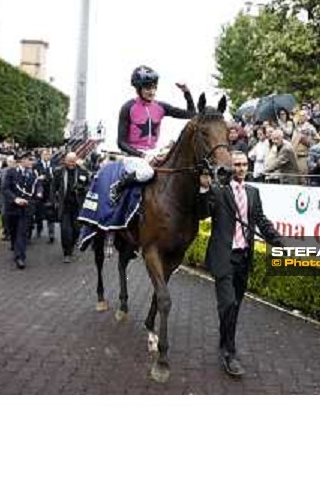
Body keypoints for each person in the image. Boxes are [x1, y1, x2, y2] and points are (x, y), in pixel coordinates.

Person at [198, 151, 283, 378]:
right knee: (227, 304)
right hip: (223, 257)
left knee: (234, 306)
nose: (241, 168)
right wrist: (205, 190)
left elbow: (261, 221)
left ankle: (225, 338)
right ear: (230, 166)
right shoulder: (219, 191)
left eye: (244, 164)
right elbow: (203, 213)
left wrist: (279, 241)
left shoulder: (253, 193)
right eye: (236, 164)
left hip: (244, 258)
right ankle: (229, 353)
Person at [112, 66, 195, 203]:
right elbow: (121, 143)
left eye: (154, 87)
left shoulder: (160, 106)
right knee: (147, 173)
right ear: (138, 89)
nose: (152, 91)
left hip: (154, 151)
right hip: (134, 155)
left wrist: (186, 92)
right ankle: (119, 186)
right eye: (147, 88)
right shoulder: (127, 107)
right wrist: (142, 155)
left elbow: (191, 114)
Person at [1, 152, 43, 269]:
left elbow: (38, 184)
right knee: (14, 231)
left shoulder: (33, 174)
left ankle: (20, 257)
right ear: (22, 160)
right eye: (29, 160)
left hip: (27, 208)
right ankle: (16, 249)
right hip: (13, 208)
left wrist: (39, 192)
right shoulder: (11, 172)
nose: (32, 162)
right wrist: (15, 199)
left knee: (22, 232)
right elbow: (5, 189)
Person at [52, 153, 91, 263]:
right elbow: (53, 187)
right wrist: (54, 201)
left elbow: (90, 186)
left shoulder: (83, 172)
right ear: (65, 160)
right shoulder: (59, 172)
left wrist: (82, 188)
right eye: (69, 161)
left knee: (76, 230)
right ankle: (67, 253)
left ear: (76, 160)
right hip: (64, 206)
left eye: (73, 161)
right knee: (65, 230)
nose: (71, 163)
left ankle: (72, 244)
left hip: (77, 206)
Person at [34, 149, 56, 243]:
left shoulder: (54, 164)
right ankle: (39, 228)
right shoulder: (36, 165)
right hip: (39, 192)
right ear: (41, 155)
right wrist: (38, 178)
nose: (47, 156)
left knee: (51, 213)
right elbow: (34, 177)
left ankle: (51, 234)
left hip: (50, 192)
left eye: (48, 154)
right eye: (45, 154)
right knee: (39, 212)